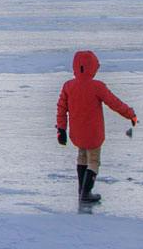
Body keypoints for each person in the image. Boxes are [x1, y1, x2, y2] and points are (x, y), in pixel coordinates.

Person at [56, 50, 138, 204]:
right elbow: (114, 103)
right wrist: (130, 114)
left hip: (77, 132)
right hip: (93, 133)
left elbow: (61, 108)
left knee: (82, 156)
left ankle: (81, 189)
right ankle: (86, 192)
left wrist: (61, 129)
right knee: (93, 160)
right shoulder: (97, 87)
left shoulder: (68, 86)